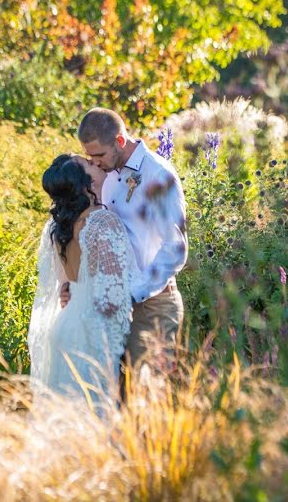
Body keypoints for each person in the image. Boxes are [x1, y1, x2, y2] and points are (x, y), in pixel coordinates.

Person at [62, 108, 188, 370]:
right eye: (89, 156)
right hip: (108, 307)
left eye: (99, 155)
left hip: (152, 306)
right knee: (115, 394)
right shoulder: (102, 177)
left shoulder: (158, 175)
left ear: (120, 141)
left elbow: (175, 249)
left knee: (145, 394)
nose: (94, 162)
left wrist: (132, 293)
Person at [27, 154, 139, 411]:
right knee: (94, 417)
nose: (95, 162)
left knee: (67, 424)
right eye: (88, 164)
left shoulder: (59, 228)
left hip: (65, 328)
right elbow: (113, 296)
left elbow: (65, 284)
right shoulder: (102, 221)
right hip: (92, 334)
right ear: (84, 184)